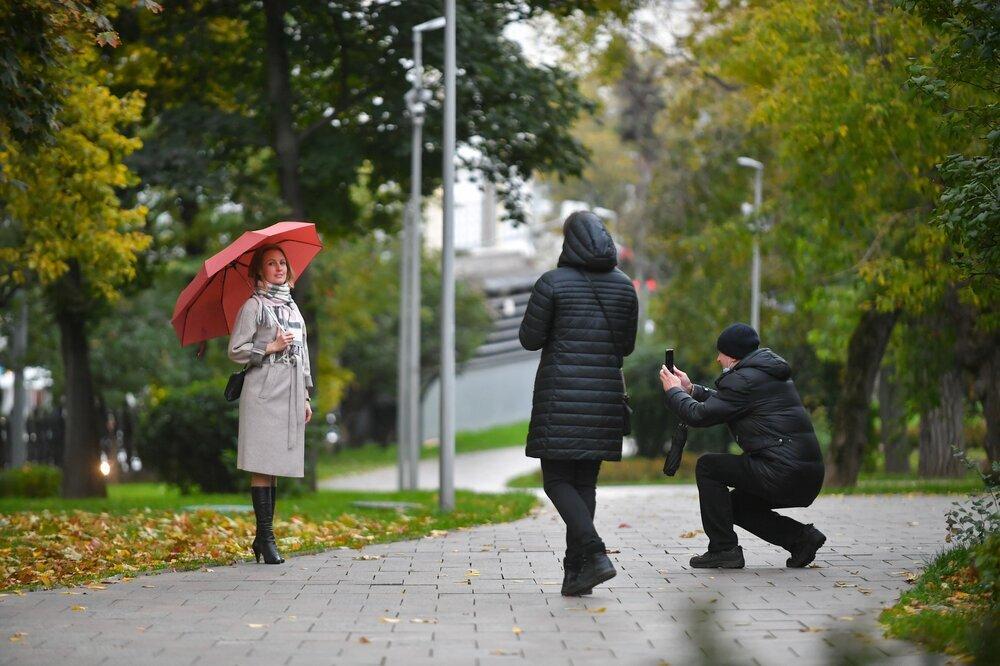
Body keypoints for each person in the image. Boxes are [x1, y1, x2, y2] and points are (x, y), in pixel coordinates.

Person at [519, 210, 638, 596]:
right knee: (585, 483)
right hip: (604, 395)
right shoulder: (624, 287)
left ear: (569, 242)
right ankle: (577, 574)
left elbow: (530, 338)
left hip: (560, 395)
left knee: (556, 480)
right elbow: (627, 346)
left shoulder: (552, 283)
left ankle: (595, 551)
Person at [658, 323, 826, 569]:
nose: (717, 359)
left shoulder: (743, 380)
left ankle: (723, 549)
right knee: (733, 506)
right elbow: (728, 403)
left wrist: (673, 392)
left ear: (733, 355)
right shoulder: (764, 373)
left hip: (782, 472)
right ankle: (801, 540)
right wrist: (691, 389)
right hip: (804, 475)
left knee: (708, 466)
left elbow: (699, 416)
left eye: (721, 353)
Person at [229, 244, 313, 564]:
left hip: (289, 391)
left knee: (275, 467)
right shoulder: (254, 306)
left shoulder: (292, 307)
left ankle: (262, 536)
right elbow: (236, 350)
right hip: (263, 391)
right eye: (271, 263)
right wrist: (269, 346)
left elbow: (302, 354)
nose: (278, 268)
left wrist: (305, 395)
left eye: (282, 263)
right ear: (259, 270)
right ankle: (267, 538)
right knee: (263, 465)